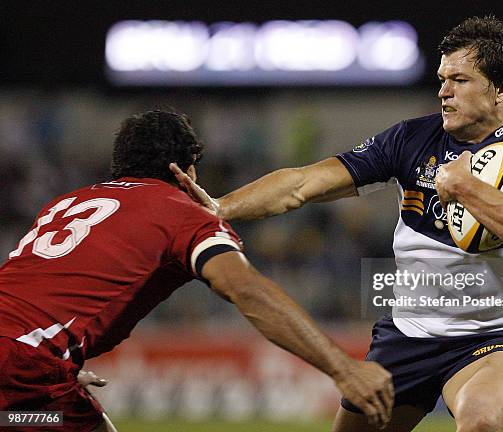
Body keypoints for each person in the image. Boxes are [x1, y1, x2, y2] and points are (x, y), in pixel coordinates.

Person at [171, 16, 503, 432]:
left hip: (497, 335)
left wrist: (468, 189)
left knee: (480, 421)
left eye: (459, 79)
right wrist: (222, 206)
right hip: (409, 334)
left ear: (502, 89)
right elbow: (302, 184)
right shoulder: (410, 139)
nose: (443, 91)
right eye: (442, 79)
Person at [0, 110, 394, 432]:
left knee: (52, 421)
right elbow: (247, 290)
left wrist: (59, 365)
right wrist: (344, 369)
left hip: (30, 374)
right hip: (24, 364)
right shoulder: (180, 212)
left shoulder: (68, 201)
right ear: (184, 170)